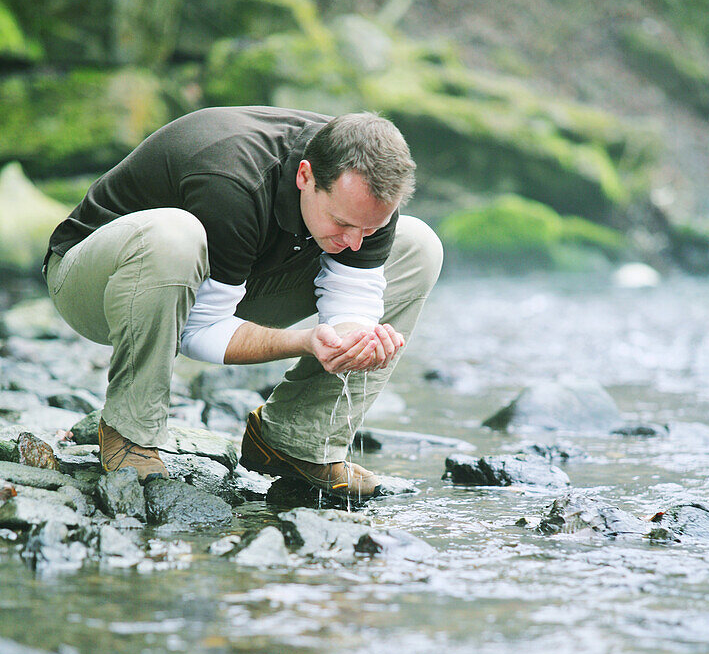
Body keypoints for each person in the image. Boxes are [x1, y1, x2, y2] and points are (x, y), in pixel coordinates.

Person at [43, 107, 443, 499]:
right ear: (306, 176)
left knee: (418, 245)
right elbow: (197, 333)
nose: (355, 242)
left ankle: (298, 441)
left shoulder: (368, 192)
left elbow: (352, 300)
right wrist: (305, 341)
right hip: (98, 282)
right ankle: (130, 430)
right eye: (342, 223)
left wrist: (356, 343)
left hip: (225, 281)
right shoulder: (231, 180)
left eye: (368, 228)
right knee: (174, 235)